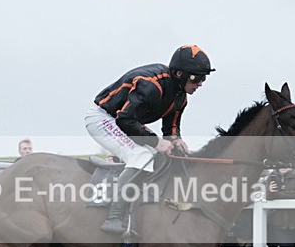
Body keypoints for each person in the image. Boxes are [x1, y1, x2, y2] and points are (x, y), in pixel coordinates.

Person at [85, 44, 214, 234]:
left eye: (203, 78)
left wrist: (176, 139)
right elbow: (125, 119)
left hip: (124, 121)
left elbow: (171, 127)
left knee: (161, 155)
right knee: (142, 156)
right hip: (105, 118)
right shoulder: (150, 86)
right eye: (197, 78)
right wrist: (155, 142)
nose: (200, 83)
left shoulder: (180, 97)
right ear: (180, 73)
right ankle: (115, 215)